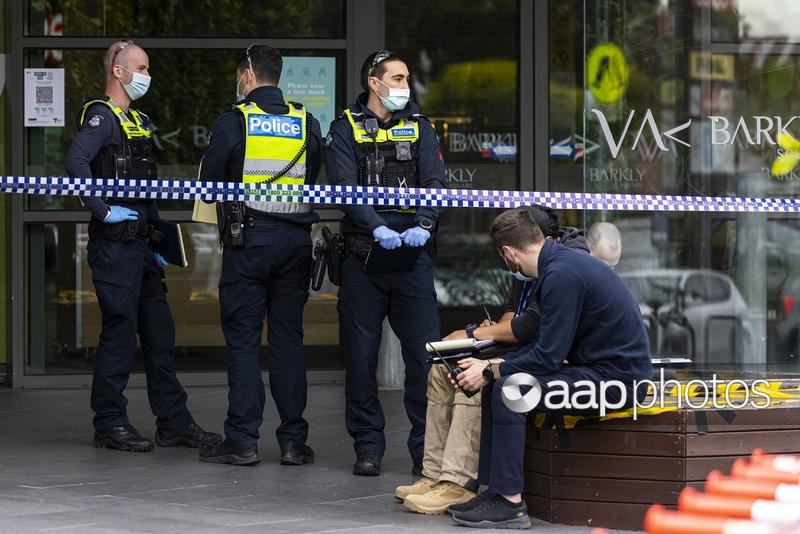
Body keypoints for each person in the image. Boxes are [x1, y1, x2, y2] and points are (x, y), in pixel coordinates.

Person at [448, 208, 652, 529]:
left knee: (509, 390)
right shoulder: (558, 264)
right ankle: (493, 491)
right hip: (596, 372)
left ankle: (509, 502)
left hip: (617, 384)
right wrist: (488, 368)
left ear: (508, 253)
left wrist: (488, 369)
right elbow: (546, 349)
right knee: (499, 385)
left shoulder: (560, 275)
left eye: (505, 262)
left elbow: (547, 358)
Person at [64, 39, 221, 452]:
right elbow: (76, 163)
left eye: (147, 69)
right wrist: (101, 210)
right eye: (142, 68)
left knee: (159, 335)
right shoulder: (102, 116)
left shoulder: (138, 121)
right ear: (118, 70)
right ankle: (110, 424)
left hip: (140, 246)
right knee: (119, 334)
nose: (147, 76)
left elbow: (145, 188)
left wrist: (156, 235)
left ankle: (174, 423)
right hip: (114, 245)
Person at [396, 205, 589, 514]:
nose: (506, 261)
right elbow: (513, 313)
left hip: (549, 353)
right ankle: (433, 474)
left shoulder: (558, 262)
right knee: (442, 369)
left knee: (472, 379)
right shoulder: (524, 256)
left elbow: (531, 325)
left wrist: (476, 337)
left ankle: (458, 482)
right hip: (523, 345)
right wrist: (485, 334)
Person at [196, 44, 323, 467]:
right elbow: (314, 174)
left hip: (249, 243)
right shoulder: (306, 120)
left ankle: (243, 440)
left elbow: (211, 179)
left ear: (246, 74)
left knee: (245, 343)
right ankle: (292, 442)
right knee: (288, 342)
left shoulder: (234, 121)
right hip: (294, 245)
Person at [325, 50, 447, 476]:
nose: (404, 85)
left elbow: (435, 182)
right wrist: (377, 227)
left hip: (412, 259)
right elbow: (342, 187)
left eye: (407, 78)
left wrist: (425, 224)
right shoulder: (344, 129)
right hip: (363, 258)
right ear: (374, 84)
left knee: (424, 357)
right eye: (396, 78)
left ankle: (425, 451)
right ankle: (368, 445)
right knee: (361, 359)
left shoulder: (421, 128)